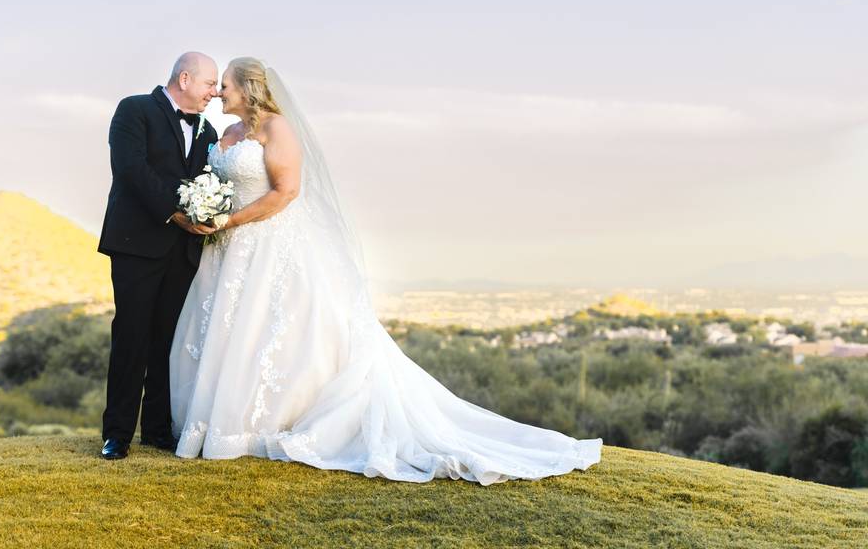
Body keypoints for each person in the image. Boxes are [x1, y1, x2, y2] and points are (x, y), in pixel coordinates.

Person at [169, 57, 602, 484]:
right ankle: (226, 423)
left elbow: (287, 191)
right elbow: (221, 185)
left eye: (225, 84)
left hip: (268, 242)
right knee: (234, 330)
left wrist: (231, 220)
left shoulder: (276, 128)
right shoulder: (227, 133)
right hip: (228, 251)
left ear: (248, 88)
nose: (220, 92)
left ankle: (274, 422)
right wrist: (207, 210)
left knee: (278, 331)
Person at [97, 52, 220, 460]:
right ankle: (117, 433)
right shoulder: (134, 110)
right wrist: (177, 213)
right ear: (184, 79)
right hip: (137, 243)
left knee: (169, 340)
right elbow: (131, 169)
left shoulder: (209, 132)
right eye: (209, 83)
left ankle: (156, 429)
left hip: (184, 252)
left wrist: (208, 214)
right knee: (131, 335)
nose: (215, 92)